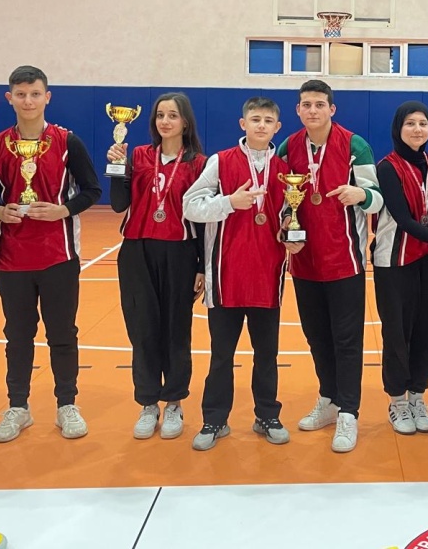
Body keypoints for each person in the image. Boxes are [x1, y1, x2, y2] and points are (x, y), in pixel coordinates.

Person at [0, 66, 101, 443]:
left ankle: (67, 404)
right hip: (11, 259)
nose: (28, 100)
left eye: (35, 93)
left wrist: (63, 210)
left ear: (47, 97)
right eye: (20, 94)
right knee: (17, 335)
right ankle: (17, 407)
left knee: (63, 334)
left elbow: (91, 189)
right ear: (10, 98)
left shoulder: (68, 142)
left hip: (59, 256)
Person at [276, 79, 383, 453]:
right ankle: (329, 398)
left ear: (332, 109)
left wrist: (362, 193)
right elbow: (281, 200)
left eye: (320, 104)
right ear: (298, 110)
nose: (313, 110)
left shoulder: (355, 145)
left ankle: (349, 413)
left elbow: (378, 199)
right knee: (316, 337)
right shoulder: (289, 146)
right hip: (304, 261)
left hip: (345, 261)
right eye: (306, 104)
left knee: (347, 340)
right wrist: (284, 230)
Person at [182, 97, 292, 450]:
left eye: (268, 120)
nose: (261, 125)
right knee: (221, 355)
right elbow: (190, 206)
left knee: (266, 353)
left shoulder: (287, 168)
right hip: (225, 274)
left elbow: (291, 213)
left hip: (267, 273)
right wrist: (229, 202)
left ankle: (266, 415)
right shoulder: (220, 161)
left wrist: (292, 229)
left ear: (278, 127)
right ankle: (214, 420)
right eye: (255, 119)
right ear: (242, 124)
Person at [107, 92, 207, 440]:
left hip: (180, 252)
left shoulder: (198, 163)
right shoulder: (137, 155)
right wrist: (116, 169)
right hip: (137, 251)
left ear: (185, 122)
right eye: (160, 115)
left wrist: (203, 267)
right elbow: (119, 205)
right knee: (143, 329)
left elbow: (205, 221)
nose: (165, 121)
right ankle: (148, 403)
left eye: (173, 116)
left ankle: (175, 401)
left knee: (176, 330)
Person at [372, 101, 428, 435]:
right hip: (395, 261)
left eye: (423, 124)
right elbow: (405, 219)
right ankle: (397, 401)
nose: (418, 129)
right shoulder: (387, 168)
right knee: (397, 333)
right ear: (398, 128)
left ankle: (417, 395)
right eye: (410, 123)